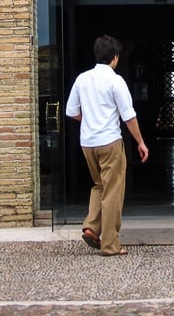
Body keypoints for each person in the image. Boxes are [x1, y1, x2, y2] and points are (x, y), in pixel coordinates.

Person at [65, 34, 149, 256]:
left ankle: (92, 227)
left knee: (99, 185)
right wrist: (140, 142)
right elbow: (128, 116)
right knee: (113, 191)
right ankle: (110, 244)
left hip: (88, 143)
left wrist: (90, 119)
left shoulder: (82, 79)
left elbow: (71, 111)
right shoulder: (115, 80)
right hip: (109, 141)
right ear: (115, 57)